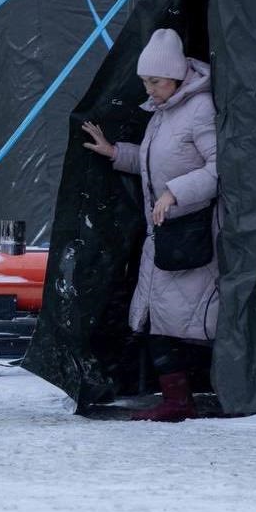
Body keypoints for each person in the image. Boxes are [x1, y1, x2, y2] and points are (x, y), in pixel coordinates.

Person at [81, 28, 218, 422]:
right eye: (145, 82)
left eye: (155, 81)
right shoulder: (164, 111)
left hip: (192, 235)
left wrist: (174, 192)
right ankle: (177, 400)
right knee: (162, 319)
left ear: (175, 77)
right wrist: (115, 152)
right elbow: (156, 160)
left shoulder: (200, 109)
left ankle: (184, 400)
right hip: (166, 235)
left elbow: (222, 167)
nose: (149, 89)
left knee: (186, 321)